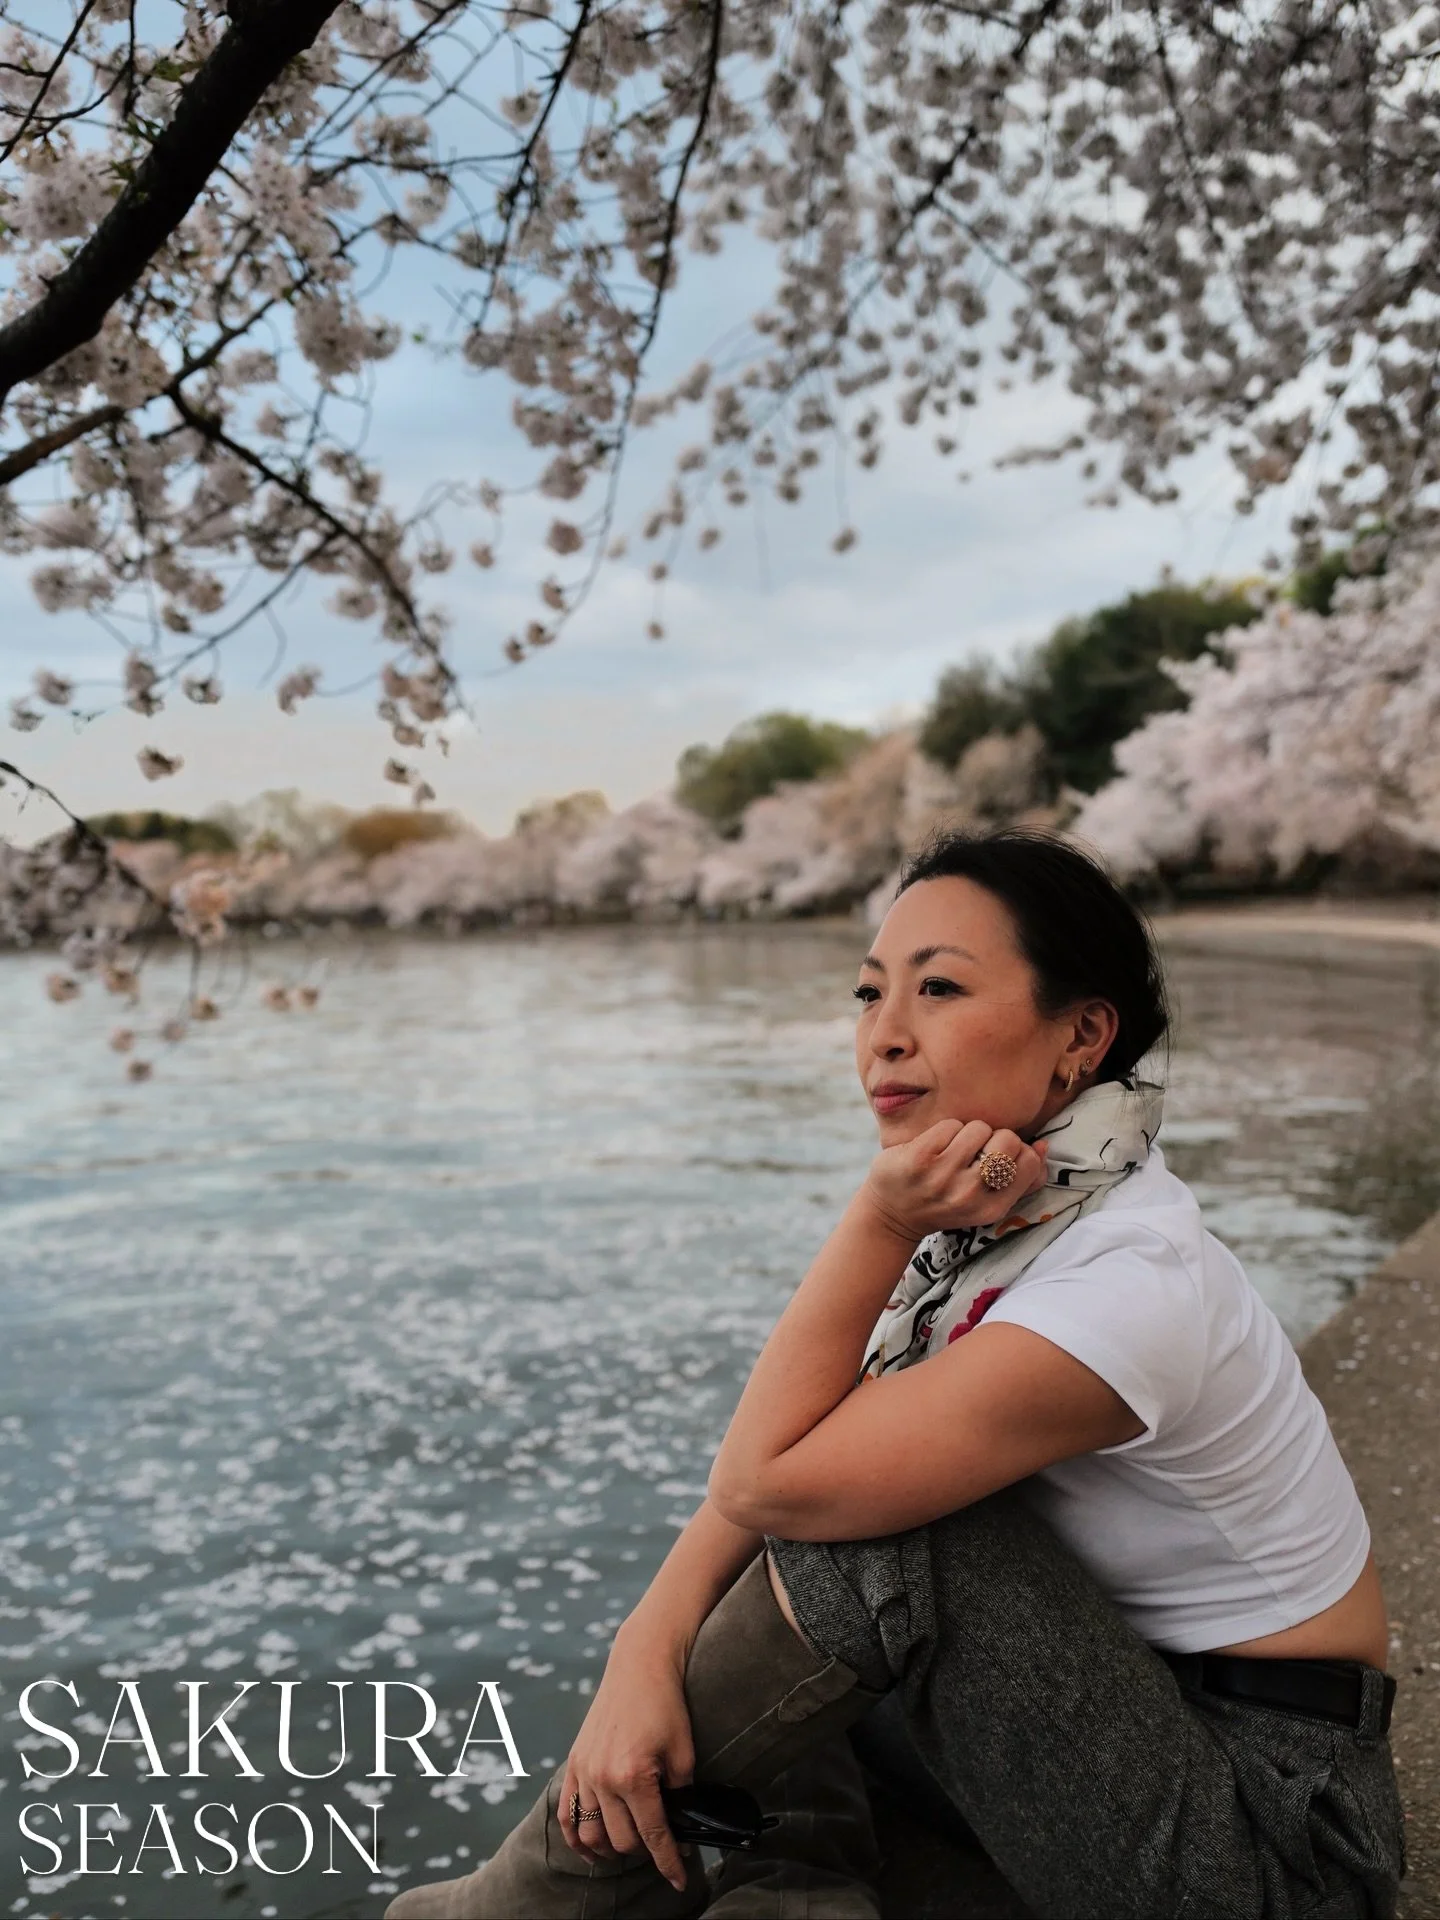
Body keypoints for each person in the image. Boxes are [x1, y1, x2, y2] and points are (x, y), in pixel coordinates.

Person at [386, 826, 1406, 1920]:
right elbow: (788, 1461)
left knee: (886, 1532)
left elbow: (769, 1481)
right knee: (827, 1504)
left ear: (1082, 1036)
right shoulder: (1012, 1215)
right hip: (1138, 1720)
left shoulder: (1131, 1281)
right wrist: (641, 1645)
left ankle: (522, 1905)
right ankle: (795, 1893)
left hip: (1277, 1843)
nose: (886, 1038)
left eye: (940, 989)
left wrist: (874, 1217)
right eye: (869, 995)